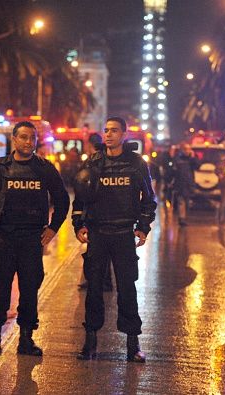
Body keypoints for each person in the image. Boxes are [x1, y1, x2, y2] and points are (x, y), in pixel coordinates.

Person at [0, 121, 69, 356]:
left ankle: (26, 339)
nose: (28, 142)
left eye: (32, 138)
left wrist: (53, 228)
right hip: (1, 238)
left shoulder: (45, 168)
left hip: (31, 240)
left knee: (29, 290)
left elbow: (63, 200)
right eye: (23, 137)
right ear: (14, 139)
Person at [72, 116, 156, 363]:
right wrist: (79, 224)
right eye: (106, 130)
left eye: (114, 131)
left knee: (127, 290)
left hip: (122, 235)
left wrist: (143, 227)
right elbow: (80, 197)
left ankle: (133, 344)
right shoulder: (94, 162)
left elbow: (149, 200)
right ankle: (90, 342)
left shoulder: (136, 163)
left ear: (124, 134)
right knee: (94, 290)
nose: (108, 135)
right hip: (98, 234)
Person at [77, 133, 113, 292]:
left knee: (96, 251)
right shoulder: (102, 160)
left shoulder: (93, 162)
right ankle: (98, 279)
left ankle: (100, 281)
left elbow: (82, 185)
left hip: (96, 214)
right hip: (103, 212)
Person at [171, 143, 200, 226]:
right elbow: (173, 170)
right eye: (186, 149)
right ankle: (182, 218)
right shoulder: (177, 159)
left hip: (189, 184)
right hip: (180, 184)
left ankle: (184, 217)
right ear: (182, 150)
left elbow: (198, 166)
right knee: (181, 202)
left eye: (188, 149)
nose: (187, 151)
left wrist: (193, 157)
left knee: (187, 202)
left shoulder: (191, 159)